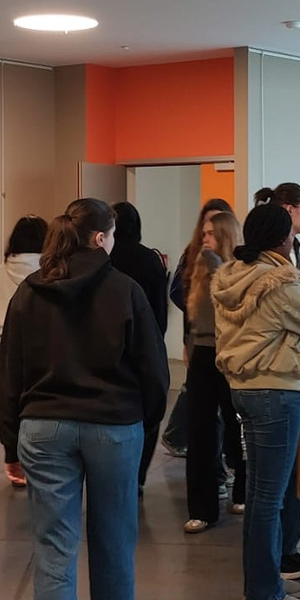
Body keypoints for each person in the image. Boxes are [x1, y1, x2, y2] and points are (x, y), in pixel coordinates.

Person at [0, 199, 168, 600]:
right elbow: (153, 370)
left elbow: (11, 371)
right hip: (114, 426)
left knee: (54, 549)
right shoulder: (126, 290)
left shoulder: (30, 292)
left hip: (43, 427)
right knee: (114, 532)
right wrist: (147, 422)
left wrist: (10, 443)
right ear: (99, 238)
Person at [214, 204, 300, 600]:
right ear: (285, 239)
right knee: (268, 497)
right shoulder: (279, 281)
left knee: (263, 494)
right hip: (276, 389)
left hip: (245, 388)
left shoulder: (230, 274)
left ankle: (264, 580)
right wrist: (297, 274)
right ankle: (264, 594)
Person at [251, 183, 300, 579]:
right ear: (286, 214)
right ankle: (269, 570)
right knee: (271, 485)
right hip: (277, 380)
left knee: (273, 481)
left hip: (278, 377)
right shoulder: (274, 274)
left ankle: (281, 553)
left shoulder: (277, 266)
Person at [183, 209, 245, 532]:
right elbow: (192, 316)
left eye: (210, 234)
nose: (203, 238)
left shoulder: (234, 271)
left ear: (223, 237)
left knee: (237, 428)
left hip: (229, 354)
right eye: (203, 233)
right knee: (201, 433)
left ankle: (242, 490)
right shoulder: (199, 267)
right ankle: (202, 509)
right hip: (203, 353)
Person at [165, 198, 236, 459]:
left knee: (225, 412)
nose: (208, 235)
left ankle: (227, 467)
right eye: (205, 229)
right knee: (202, 409)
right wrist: (190, 335)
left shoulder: (237, 263)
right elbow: (180, 293)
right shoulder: (195, 254)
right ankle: (180, 439)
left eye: (215, 229)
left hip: (227, 346)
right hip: (202, 341)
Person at [108, 201, 170, 491]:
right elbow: (160, 307)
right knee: (147, 411)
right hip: (145, 344)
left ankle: (115, 472)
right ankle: (138, 476)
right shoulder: (149, 260)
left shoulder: (104, 259)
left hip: (108, 345)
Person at [0, 215, 47, 487]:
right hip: (42, 343)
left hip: (6, 343)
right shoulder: (49, 269)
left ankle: (13, 458)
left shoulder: (5, 267)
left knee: (8, 401)